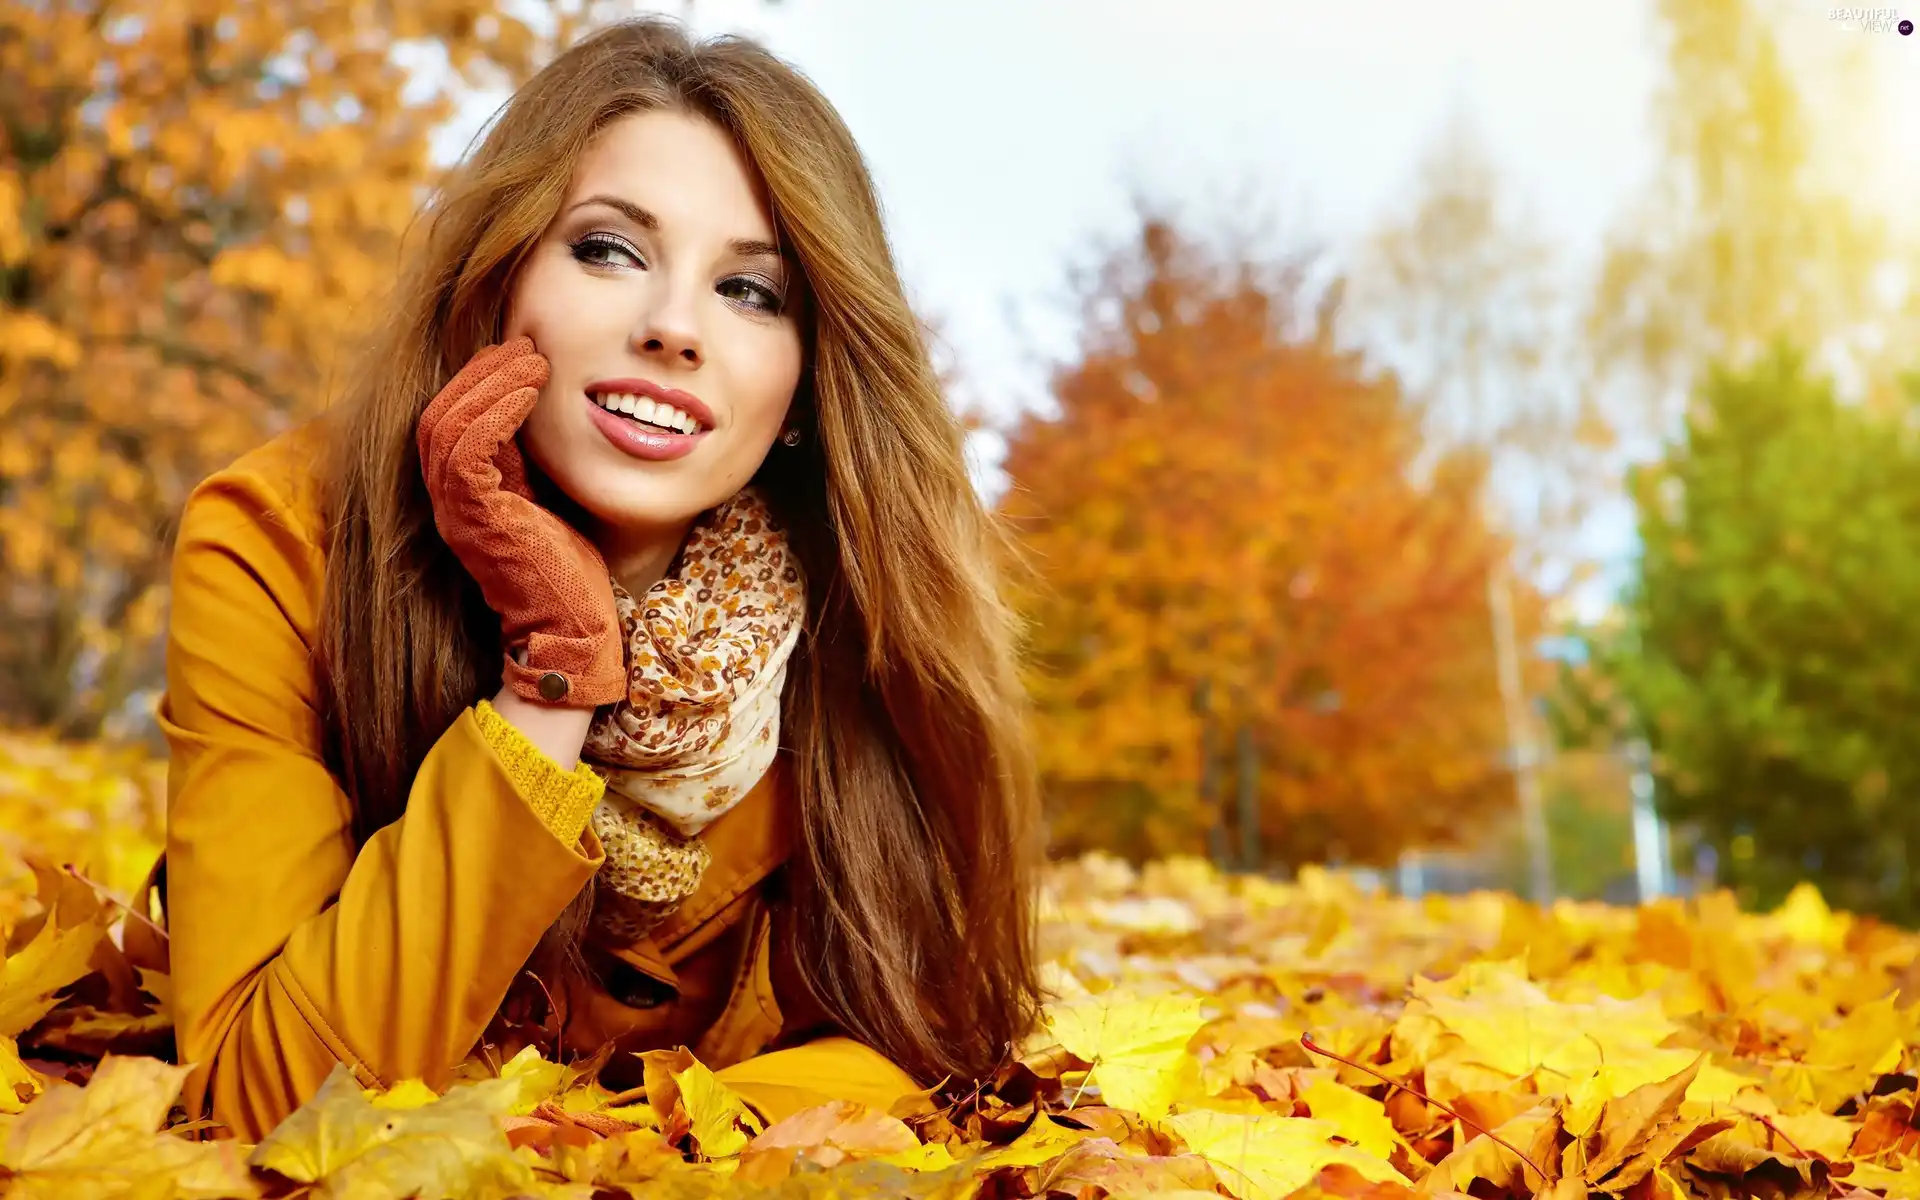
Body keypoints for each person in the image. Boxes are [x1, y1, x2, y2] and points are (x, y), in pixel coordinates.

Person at [147, 16, 1042, 1141]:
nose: (673, 327)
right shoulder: (281, 544)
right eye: (608, 250)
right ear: (498, 284)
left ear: (807, 388)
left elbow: (912, 1051)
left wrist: (601, 1150)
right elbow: (258, 1098)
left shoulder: (862, 618)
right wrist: (552, 679)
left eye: (751, 293)